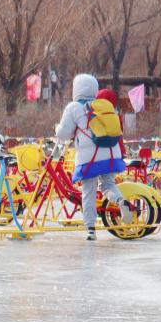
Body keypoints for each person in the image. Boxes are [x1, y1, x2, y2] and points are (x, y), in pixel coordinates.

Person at [54, 73, 130, 240]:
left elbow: (64, 134)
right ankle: (120, 201)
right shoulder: (104, 105)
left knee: (88, 191)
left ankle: (90, 229)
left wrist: (56, 129)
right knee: (108, 185)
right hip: (111, 153)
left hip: (90, 157)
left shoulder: (74, 107)